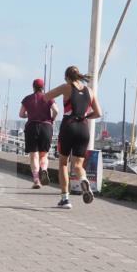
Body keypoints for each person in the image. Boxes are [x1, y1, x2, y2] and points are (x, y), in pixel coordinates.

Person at [45, 66, 102, 209]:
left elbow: (46, 96)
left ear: (68, 77)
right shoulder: (90, 91)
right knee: (77, 165)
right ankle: (83, 179)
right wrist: (85, 116)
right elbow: (98, 113)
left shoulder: (67, 87)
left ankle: (65, 199)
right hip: (83, 128)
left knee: (63, 163)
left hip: (68, 126)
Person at [19, 78, 57, 188]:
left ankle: (36, 179)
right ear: (43, 87)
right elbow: (56, 110)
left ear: (33, 87)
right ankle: (44, 170)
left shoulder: (27, 99)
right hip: (46, 126)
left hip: (32, 127)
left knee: (34, 155)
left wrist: (29, 115)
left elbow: (21, 114)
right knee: (43, 155)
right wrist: (51, 119)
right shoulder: (48, 97)